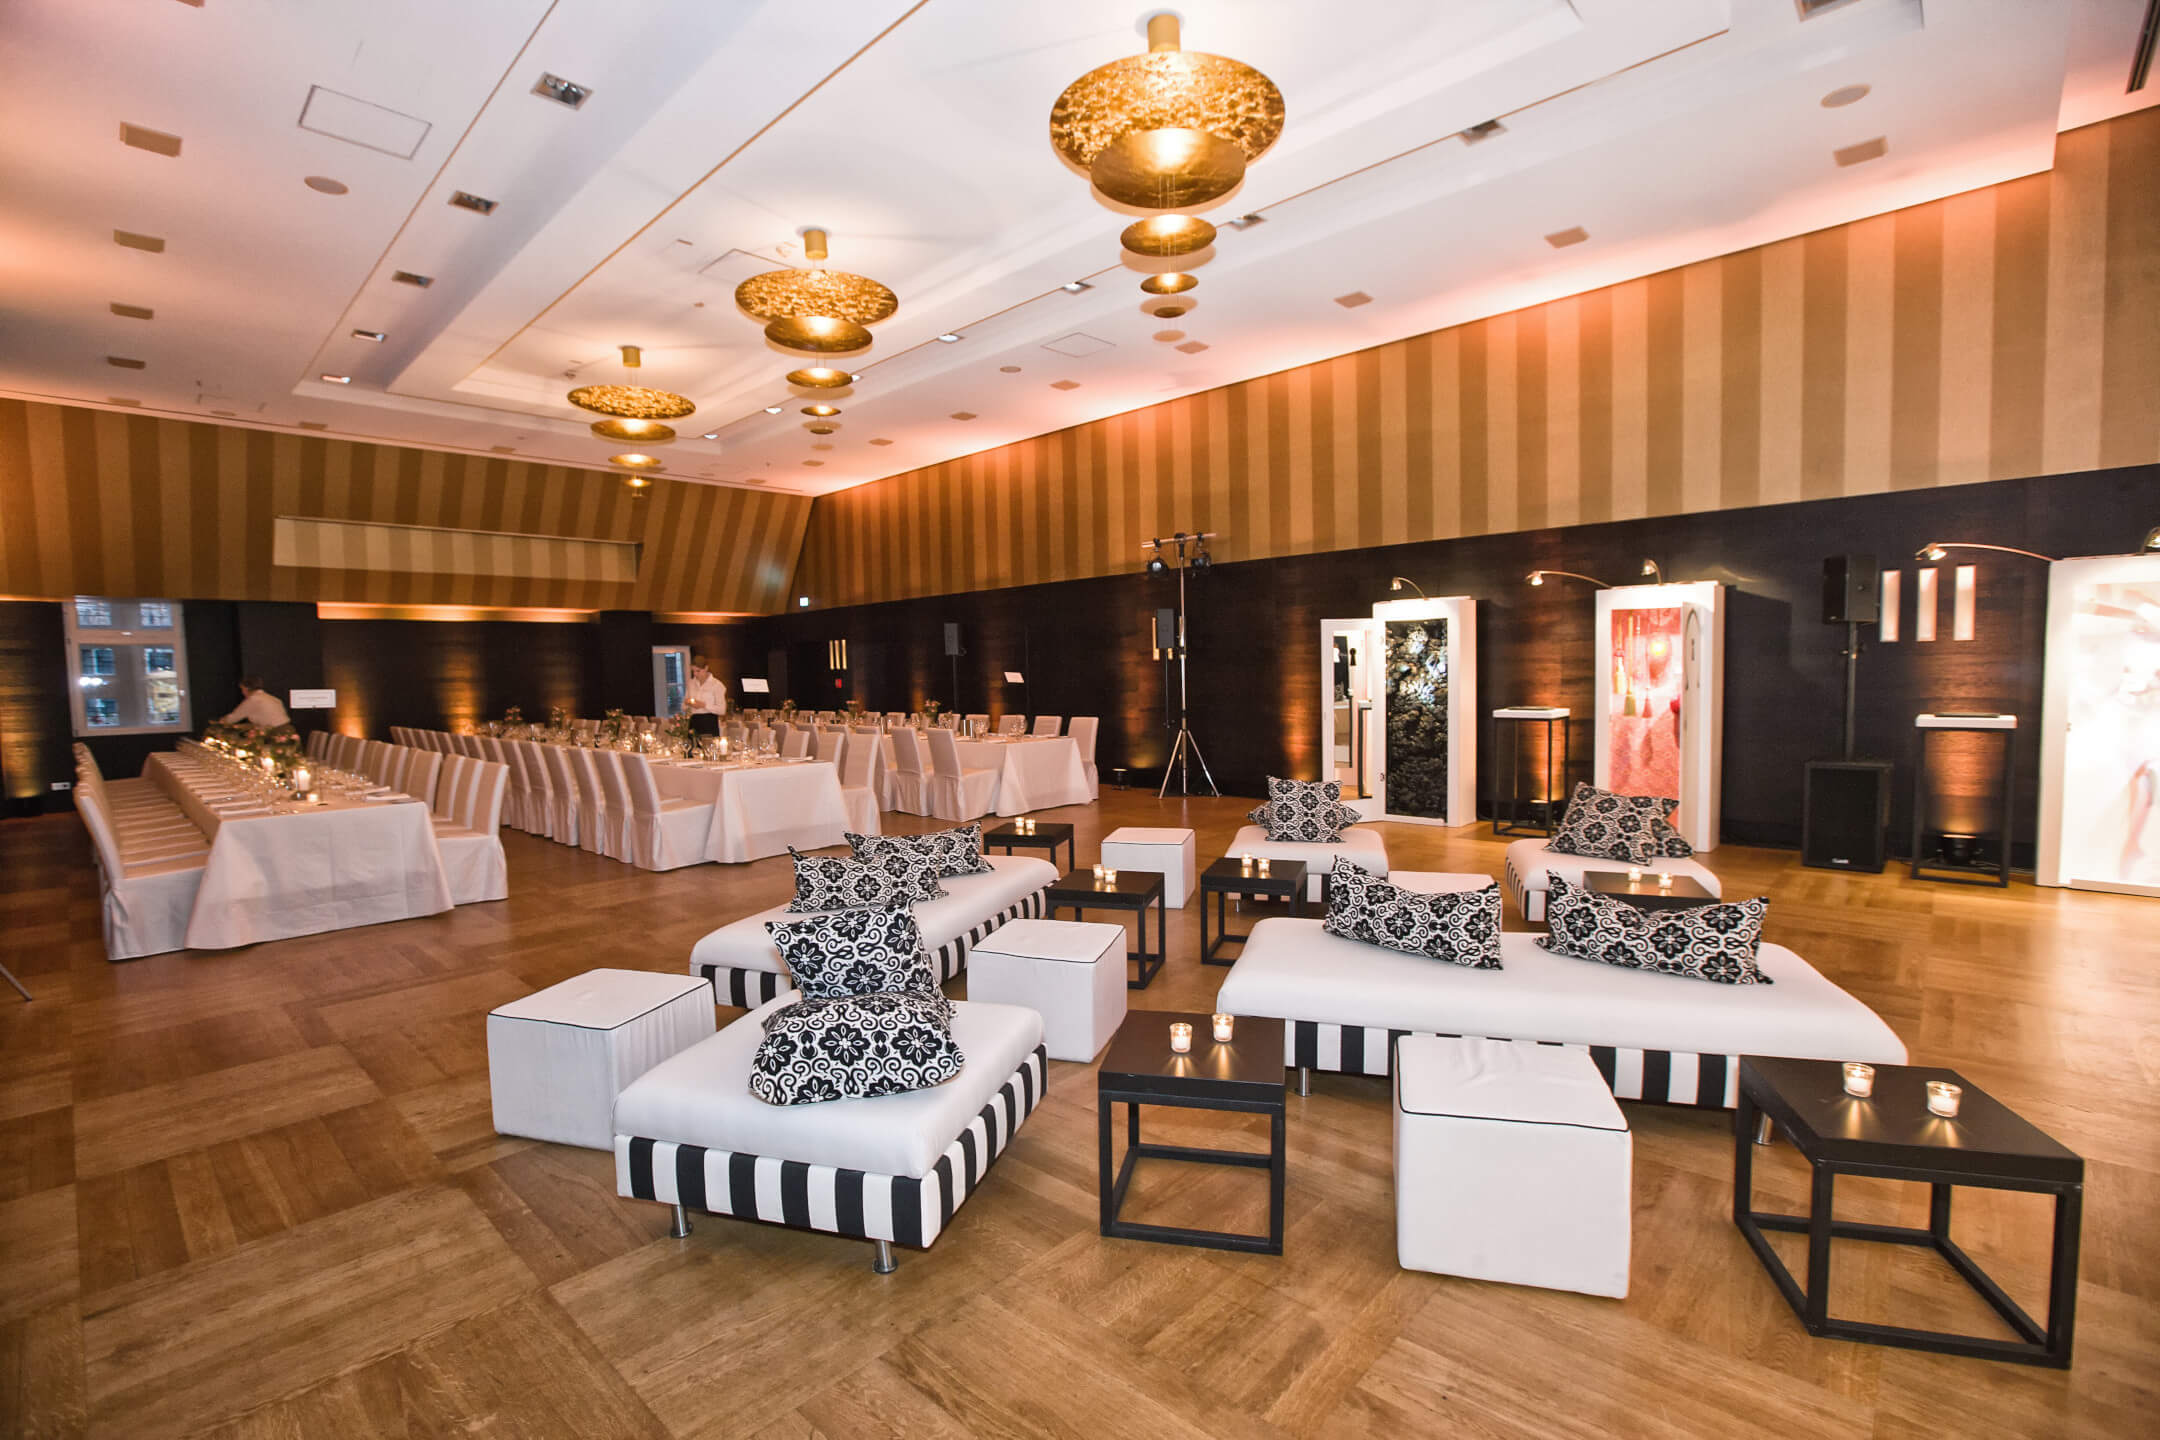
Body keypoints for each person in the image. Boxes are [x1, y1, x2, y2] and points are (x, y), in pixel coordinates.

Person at [222, 676, 291, 730]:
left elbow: (234, 717)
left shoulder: (253, 700)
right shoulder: (271, 698)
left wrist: (220, 723)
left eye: (242, 689)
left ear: (246, 688)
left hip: (276, 734)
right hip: (287, 729)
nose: (242, 692)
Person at [684, 656, 729, 736]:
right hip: (693, 721)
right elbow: (683, 706)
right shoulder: (691, 683)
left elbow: (722, 710)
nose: (695, 674)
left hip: (709, 722)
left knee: (708, 747)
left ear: (706, 668)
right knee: (692, 748)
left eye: (698, 671)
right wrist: (687, 703)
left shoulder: (717, 685)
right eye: (693, 671)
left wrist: (704, 705)